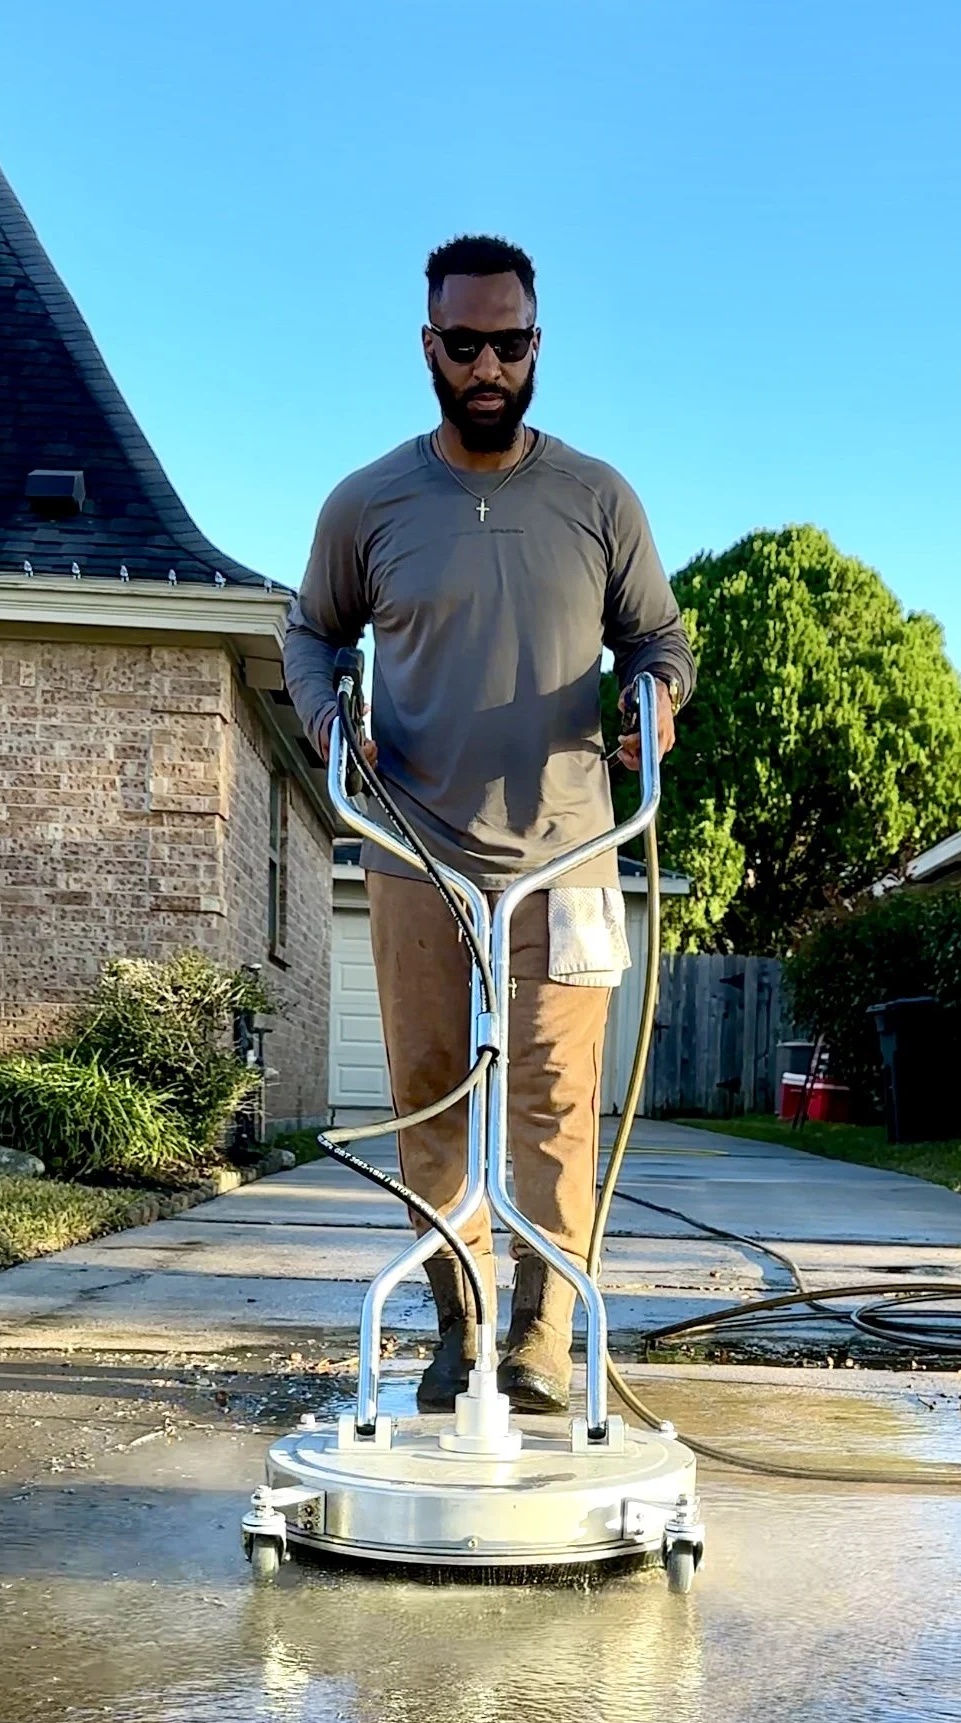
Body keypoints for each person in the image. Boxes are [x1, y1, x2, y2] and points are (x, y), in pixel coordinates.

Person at [284, 234, 695, 1414]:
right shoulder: (367, 503)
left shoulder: (597, 498)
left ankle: (541, 1335)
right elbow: (310, 632)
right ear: (427, 345)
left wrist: (652, 703)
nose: (485, 368)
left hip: (571, 859)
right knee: (428, 1091)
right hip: (415, 854)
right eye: (462, 344)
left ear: (535, 345)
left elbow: (658, 639)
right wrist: (328, 717)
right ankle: (457, 1323)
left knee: (556, 1107)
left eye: (506, 345)